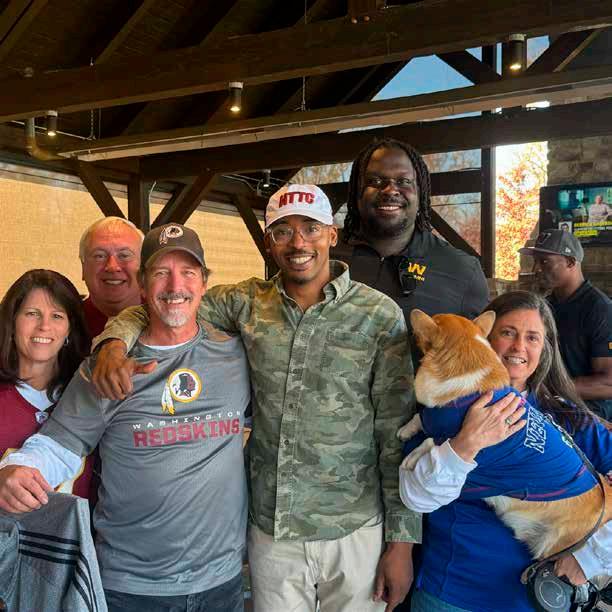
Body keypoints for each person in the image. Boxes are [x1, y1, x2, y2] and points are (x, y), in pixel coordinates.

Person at [88, 184, 420, 612]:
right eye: (283, 231)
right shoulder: (245, 303)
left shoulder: (378, 315)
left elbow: (396, 434)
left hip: (354, 528)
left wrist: (401, 544)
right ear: (268, 242)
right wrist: (113, 342)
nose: (298, 243)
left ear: (332, 234)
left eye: (311, 228)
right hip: (271, 530)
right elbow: (166, 301)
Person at [0, 225, 251, 612]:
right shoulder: (107, 368)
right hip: (132, 588)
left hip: (222, 581)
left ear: (204, 282)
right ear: (143, 284)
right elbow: (59, 443)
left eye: (187, 272)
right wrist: (17, 470)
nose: (175, 285)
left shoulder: (236, 355)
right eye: (161, 272)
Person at [399, 291, 612, 612]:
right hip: (451, 593)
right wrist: (465, 445)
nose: (518, 347)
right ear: (483, 337)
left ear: (545, 348)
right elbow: (414, 497)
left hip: (539, 600)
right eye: (508, 333)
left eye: (532, 337)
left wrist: (590, 558)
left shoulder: (570, 417)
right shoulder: (443, 412)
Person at [334, 138, 489, 364]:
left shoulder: (461, 271)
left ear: (420, 192)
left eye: (403, 181)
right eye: (375, 181)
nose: (390, 190)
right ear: (357, 192)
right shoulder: (324, 255)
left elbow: (481, 360)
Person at [0, 269, 94, 499]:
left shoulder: (89, 396)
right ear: (12, 322)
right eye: (32, 314)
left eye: (57, 316)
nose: (44, 326)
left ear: (70, 328)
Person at [520, 229, 612, 420]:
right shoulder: (545, 305)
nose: (537, 268)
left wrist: (549, 388)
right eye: (536, 261)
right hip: (546, 406)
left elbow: (608, 382)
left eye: (545, 262)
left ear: (570, 262)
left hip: (586, 414)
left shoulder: (600, 309)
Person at [79, 217, 144, 340]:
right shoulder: (64, 325)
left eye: (124, 255)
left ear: (144, 266)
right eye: (99, 256)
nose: (112, 267)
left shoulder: (165, 320)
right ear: (83, 267)